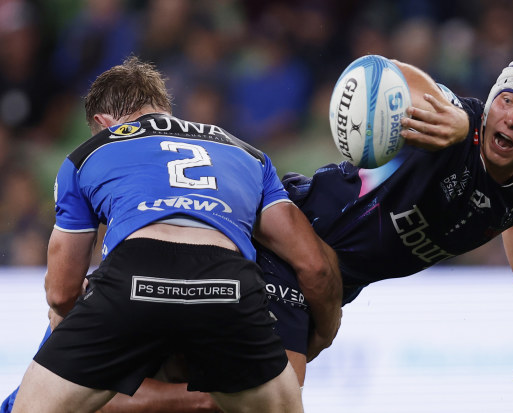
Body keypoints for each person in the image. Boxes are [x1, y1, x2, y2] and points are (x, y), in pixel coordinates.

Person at [4, 54, 513, 411]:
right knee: (240, 398)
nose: (510, 117)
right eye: (505, 100)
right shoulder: (449, 123)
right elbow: (389, 74)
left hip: (315, 266)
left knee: (164, 362)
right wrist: (459, 112)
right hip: (295, 239)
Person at [10, 56, 342, 413]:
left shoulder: (90, 151)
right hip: (228, 287)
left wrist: (81, 341)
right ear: (165, 111)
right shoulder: (249, 155)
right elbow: (315, 267)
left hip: (133, 277)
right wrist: (323, 335)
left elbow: (61, 294)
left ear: (101, 123)